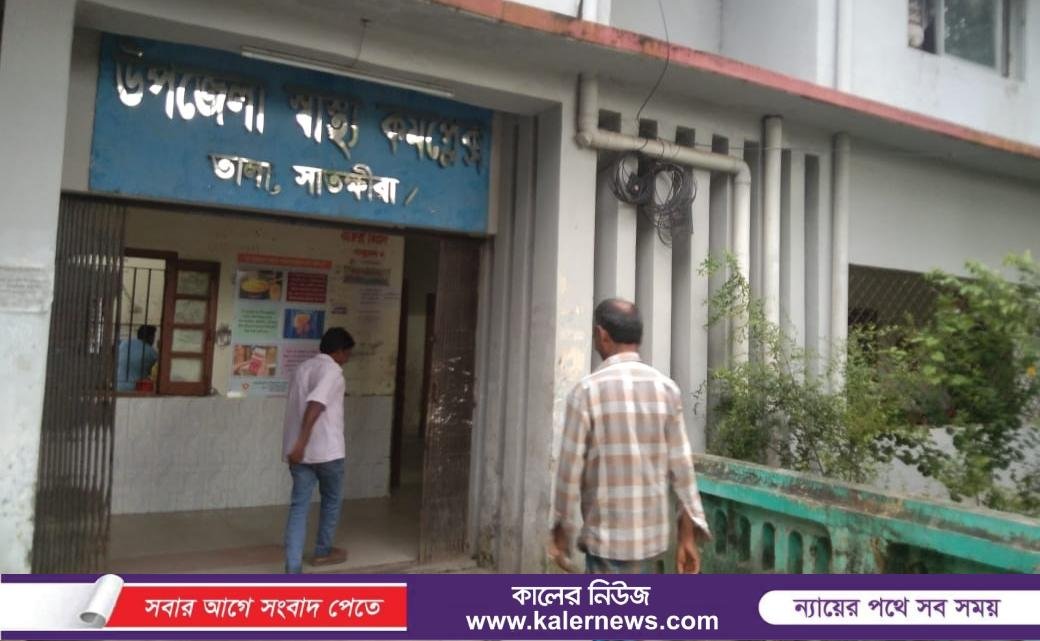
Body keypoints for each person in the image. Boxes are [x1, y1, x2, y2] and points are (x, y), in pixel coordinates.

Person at [550, 298, 711, 574]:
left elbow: (569, 471)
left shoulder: (586, 392)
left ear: (602, 334)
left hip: (606, 542)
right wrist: (687, 538)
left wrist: (561, 531)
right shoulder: (666, 389)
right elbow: (682, 470)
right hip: (652, 544)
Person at [282, 327, 355, 573]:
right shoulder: (332, 371)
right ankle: (322, 551)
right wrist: (302, 442)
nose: (347, 359)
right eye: (347, 354)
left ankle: (292, 567)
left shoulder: (302, 368)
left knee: (299, 507)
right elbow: (316, 405)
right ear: (338, 351)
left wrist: (298, 445)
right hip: (326, 452)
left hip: (299, 455)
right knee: (331, 501)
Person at [116, 325, 158, 392]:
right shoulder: (150, 351)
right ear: (150, 337)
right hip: (135, 389)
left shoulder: (124, 343)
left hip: (117, 385)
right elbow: (160, 369)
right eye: (154, 337)